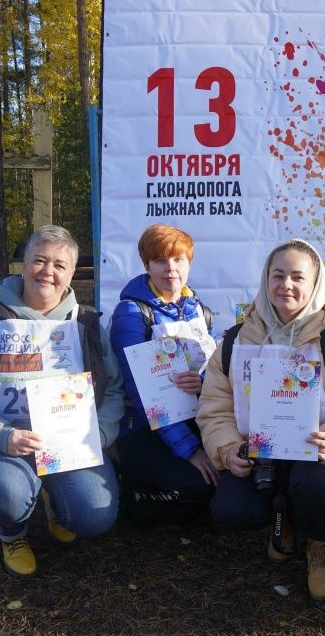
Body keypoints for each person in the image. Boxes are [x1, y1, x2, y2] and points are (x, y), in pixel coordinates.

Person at [0, 225, 124, 578]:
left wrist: (98, 434)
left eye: (59, 265)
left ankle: (57, 505)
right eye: (39, 260)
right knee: (6, 498)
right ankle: (12, 533)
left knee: (94, 515)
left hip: (70, 444)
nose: (48, 271)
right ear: (24, 265)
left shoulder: (85, 323)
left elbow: (114, 386)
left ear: (71, 274)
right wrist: (0, 435)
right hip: (7, 441)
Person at [196, 239, 325, 601]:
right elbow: (214, 407)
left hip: (314, 458)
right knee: (231, 509)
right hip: (256, 455)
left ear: (315, 284)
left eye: (297, 277)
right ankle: (285, 520)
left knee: (317, 485)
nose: (286, 285)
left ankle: (319, 542)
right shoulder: (235, 341)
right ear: (266, 280)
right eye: (278, 275)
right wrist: (228, 449)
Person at [110, 224, 218, 525]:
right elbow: (144, 395)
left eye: (178, 259)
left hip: (191, 419)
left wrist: (202, 383)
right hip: (143, 428)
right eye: (160, 260)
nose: (171, 268)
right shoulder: (131, 314)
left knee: (228, 477)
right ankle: (130, 496)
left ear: (189, 263)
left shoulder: (199, 309)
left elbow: (215, 371)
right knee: (198, 487)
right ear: (147, 266)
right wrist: (191, 450)